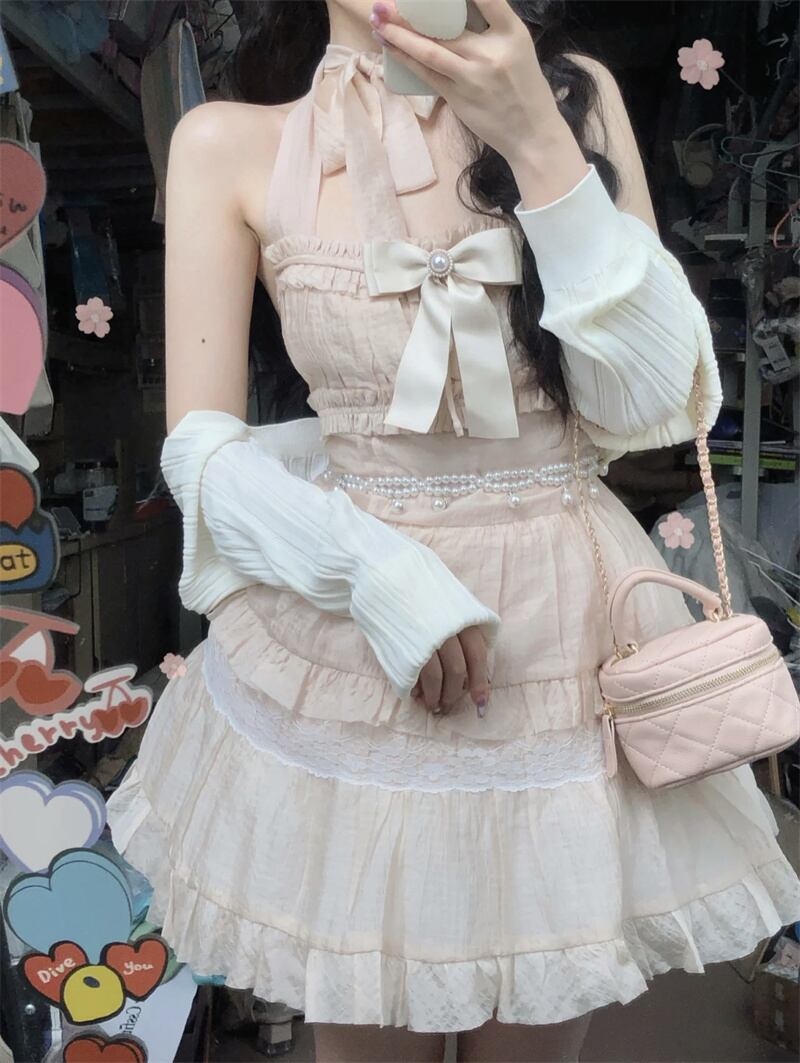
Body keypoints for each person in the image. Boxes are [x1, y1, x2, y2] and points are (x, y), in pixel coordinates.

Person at [106, 2, 800, 1061]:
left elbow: (657, 406)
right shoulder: (230, 143)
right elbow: (200, 452)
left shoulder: (572, 98)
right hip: (348, 639)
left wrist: (535, 137)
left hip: (565, 635)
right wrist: (374, 578)